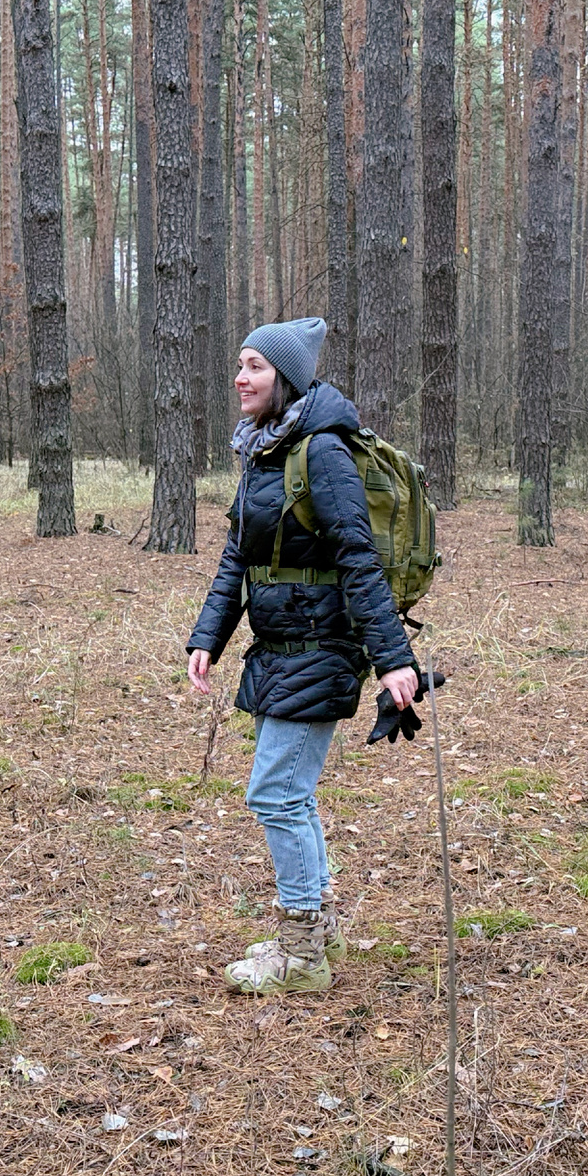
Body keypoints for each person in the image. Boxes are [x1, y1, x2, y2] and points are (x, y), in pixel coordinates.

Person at [186, 317, 419, 995]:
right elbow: (239, 556)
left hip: (321, 648)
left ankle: (301, 956)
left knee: (276, 794)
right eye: (239, 363)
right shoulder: (264, 448)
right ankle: (315, 924)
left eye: (255, 366)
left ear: (284, 378)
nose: (240, 378)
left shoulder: (321, 451)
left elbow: (358, 556)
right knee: (292, 794)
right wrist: (209, 637)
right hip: (280, 648)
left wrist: (393, 657)